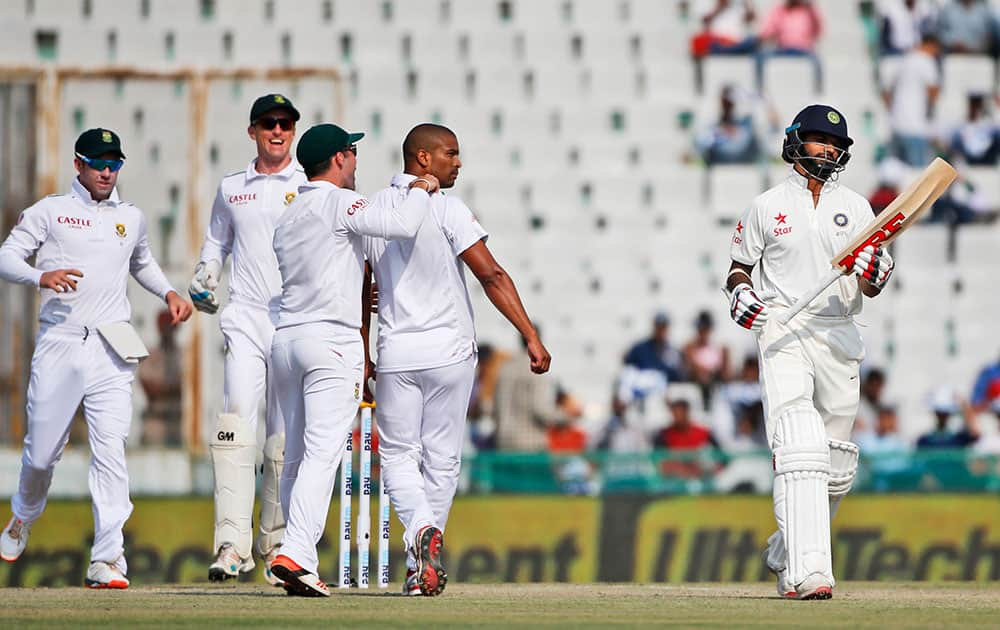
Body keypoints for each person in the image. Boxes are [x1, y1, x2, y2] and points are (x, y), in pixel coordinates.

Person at [363, 123, 551, 596]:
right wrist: (529, 334)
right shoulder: (447, 208)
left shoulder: (370, 209)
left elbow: (357, 291)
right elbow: (491, 274)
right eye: (451, 153)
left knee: (401, 457)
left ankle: (420, 536)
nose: (459, 162)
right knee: (442, 462)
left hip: (398, 353)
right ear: (422, 159)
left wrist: (362, 352)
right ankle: (425, 554)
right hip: (449, 353)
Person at [0, 128, 193, 588]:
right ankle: (24, 515)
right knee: (43, 454)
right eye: (98, 163)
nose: (107, 172)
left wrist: (167, 292)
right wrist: (40, 275)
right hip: (61, 342)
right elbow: (6, 257)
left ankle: (107, 559)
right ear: (78, 165)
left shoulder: (131, 216)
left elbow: (141, 261)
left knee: (111, 452)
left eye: (114, 164)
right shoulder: (51, 211)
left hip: (112, 345)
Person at [725, 104, 894, 599]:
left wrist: (875, 272)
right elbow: (738, 267)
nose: (830, 149)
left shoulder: (859, 207)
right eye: (820, 139)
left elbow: (875, 278)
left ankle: (784, 549)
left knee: (835, 463)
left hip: (839, 332)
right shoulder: (766, 205)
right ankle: (808, 572)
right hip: (783, 329)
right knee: (797, 440)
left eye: (836, 143)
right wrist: (740, 293)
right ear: (797, 141)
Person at [267, 123, 437, 597]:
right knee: (323, 452)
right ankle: (297, 553)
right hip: (331, 341)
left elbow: (343, 263)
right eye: (353, 154)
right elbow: (403, 223)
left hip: (286, 340)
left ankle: (293, 552)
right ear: (339, 158)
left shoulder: (290, 213)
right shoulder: (339, 202)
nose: (357, 163)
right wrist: (422, 187)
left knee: (298, 454)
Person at [187, 94, 307, 584]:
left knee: (283, 434)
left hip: (293, 319)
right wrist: (204, 273)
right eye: (268, 124)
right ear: (253, 130)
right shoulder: (232, 187)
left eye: (285, 124)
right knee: (236, 420)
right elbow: (218, 241)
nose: (277, 131)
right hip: (246, 317)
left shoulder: (308, 185)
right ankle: (231, 545)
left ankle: (276, 544)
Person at [881, 32, 941, 167]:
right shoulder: (926, 61)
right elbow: (933, 91)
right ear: (932, 46)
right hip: (915, 127)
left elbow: (886, 92)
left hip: (896, 125)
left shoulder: (903, 60)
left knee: (899, 175)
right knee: (917, 176)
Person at [755, 0, 824, 93]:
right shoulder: (779, 10)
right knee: (760, 56)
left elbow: (819, 30)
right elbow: (768, 30)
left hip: (803, 50)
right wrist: (763, 38)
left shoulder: (808, 10)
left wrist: (812, 8)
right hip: (783, 49)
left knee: (817, 61)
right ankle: (760, 90)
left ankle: (818, 92)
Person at [137, 309, 183, 446]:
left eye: (171, 326)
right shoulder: (150, 355)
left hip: (177, 423)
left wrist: (164, 388)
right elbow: (150, 390)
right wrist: (174, 389)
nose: (167, 330)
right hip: (155, 422)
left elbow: (188, 388)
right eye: (164, 326)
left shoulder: (183, 355)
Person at [681, 309, 730, 410]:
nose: (703, 332)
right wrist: (702, 371)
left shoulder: (719, 348)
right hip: (696, 381)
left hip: (716, 381)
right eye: (701, 328)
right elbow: (688, 365)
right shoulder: (689, 347)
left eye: (706, 328)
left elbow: (726, 372)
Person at [623, 311, 685, 383]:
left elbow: (678, 374)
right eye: (658, 327)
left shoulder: (672, 352)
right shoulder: (640, 349)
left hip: (662, 387)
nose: (661, 330)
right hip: (641, 384)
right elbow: (628, 364)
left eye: (663, 327)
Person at [947, 93, 1000, 166]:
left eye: (978, 105)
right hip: (968, 160)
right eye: (973, 105)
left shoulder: (990, 124)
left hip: (988, 158)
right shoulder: (960, 126)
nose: (975, 108)